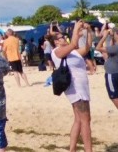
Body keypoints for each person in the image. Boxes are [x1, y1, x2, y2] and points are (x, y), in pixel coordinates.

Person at [51, 20, 93, 152]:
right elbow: (74, 43)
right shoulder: (57, 52)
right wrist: (75, 29)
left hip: (80, 87)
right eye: (62, 37)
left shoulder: (72, 52)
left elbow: (87, 48)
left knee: (79, 120)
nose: (64, 38)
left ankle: (72, 149)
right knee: (86, 120)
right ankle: (88, 150)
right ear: (56, 42)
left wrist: (88, 31)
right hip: (76, 88)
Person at [95, 26, 118, 119]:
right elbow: (113, 45)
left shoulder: (117, 48)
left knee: (113, 96)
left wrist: (104, 36)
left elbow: (98, 47)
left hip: (112, 73)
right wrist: (113, 34)